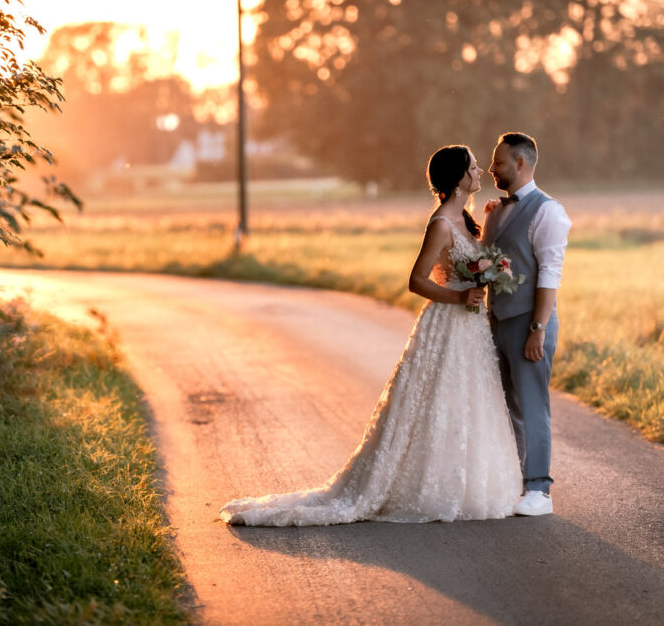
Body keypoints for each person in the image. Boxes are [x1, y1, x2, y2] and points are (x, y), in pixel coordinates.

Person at [220, 145, 522, 526]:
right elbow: (416, 281)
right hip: (447, 322)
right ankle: (425, 486)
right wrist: (459, 295)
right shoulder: (441, 224)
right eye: (474, 167)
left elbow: (472, 260)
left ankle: (469, 483)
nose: (480, 171)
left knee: (467, 401)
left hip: (471, 326)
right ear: (457, 179)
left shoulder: (465, 218)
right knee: (437, 402)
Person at [482, 132, 572, 517]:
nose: (492, 169)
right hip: (497, 322)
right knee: (507, 407)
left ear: (520, 164)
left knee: (533, 406)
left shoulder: (549, 211)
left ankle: (540, 491)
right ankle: (516, 481)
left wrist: (537, 328)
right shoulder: (497, 210)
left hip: (529, 325)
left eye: (498, 163)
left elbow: (550, 275)